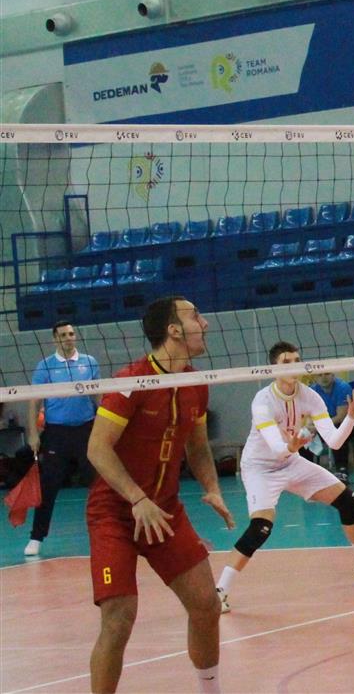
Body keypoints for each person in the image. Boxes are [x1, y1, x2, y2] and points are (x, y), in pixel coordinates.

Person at [85, 296, 235, 693]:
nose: (205, 323)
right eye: (195, 316)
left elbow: (197, 447)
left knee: (206, 604)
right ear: (173, 330)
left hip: (164, 511)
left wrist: (212, 488)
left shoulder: (195, 382)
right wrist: (137, 499)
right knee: (119, 617)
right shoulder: (131, 382)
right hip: (116, 511)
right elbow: (97, 448)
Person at [215, 341, 354, 614]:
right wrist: (292, 445)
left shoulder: (310, 396)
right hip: (261, 468)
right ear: (273, 369)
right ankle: (219, 591)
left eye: (297, 360)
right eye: (286, 362)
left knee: (348, 500)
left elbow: (334, 442)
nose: (294, 366)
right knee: (261, 527)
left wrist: (350, 417)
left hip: (291, 462)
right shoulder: (263, 401)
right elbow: (277, 448)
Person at [24, 320, 100, 557]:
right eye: (64, 335)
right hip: (57, 433)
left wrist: (105, 426)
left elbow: (98, 396)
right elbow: (34, 401)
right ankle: (36, 537)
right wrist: (33, 433)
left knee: (99, 484)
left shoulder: (89, 362)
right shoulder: (45, 366)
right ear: (55, 338)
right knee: (48, 487)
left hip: (86, 429)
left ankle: (109, 530)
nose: (69, 338)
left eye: (71, 333)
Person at [307, 371, 354, 483]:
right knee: (304, 434)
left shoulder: (343, 387)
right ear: (315, 378)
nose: (323, 377)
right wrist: (310, 427)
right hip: (329, 424)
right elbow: (310, 415)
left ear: (333, 375)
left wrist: (318, 427)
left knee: (339, 430)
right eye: (320, 375)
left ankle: (342, 471)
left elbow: (341, 417)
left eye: (327, 374)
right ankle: (307, 474)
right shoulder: (312, 391)